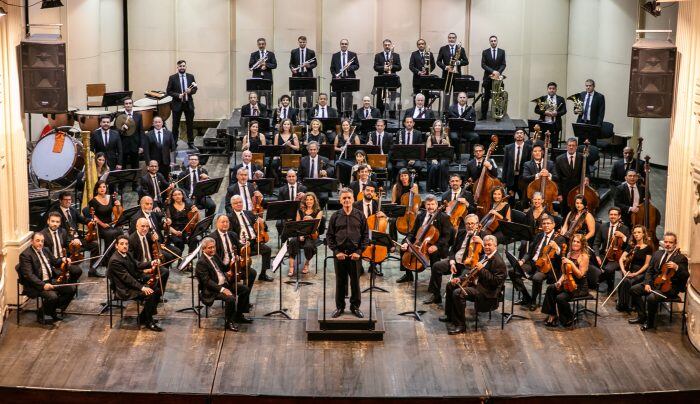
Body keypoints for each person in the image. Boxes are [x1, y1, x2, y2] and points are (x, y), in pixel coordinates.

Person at [442, 235, 506, 334]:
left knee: (458, 293)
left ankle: (461, 325)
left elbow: (496, 282)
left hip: (487, 292)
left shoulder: (498, 262)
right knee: (451, 285)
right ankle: (450, 316)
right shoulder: (484, 256)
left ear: (495, 246)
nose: (487, 247)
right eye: (485, 245)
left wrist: (482, 270)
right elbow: (472, 272)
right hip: (477, 285)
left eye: (489, 245)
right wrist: (460, 278)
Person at [629, 232, 688, 331]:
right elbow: (649, 271)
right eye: (666, 242)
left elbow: (686, 275)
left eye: (670, 242)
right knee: (633, 289)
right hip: (654, 283)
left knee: (651, 297)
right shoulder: (657, 254)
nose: (668, 244)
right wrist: (647, 283)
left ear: (675, 244)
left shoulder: (681, 258)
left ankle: (650, 322)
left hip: (669, 288)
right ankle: (642, 316)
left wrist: (677, 267)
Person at [326, 188, 369, 318]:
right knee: (340, 281)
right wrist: (336, 251)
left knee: (355, 282)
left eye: (349, 198)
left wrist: (359, 251)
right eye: (344, 198)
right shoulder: (335, 216)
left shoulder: (360, 215)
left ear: (353, 199)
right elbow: (329, 236)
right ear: (340, 200)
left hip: (355, 255)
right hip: (339, 255)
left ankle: (355, 306)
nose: (347, 200)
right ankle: (340, 307)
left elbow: (366, 236)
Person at [106, 235, 163, 331]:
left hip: (131, 284)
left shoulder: (127, 254)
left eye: (126, 244)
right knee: (151, 293)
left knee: (156, 290)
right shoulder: (115, 260)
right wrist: (142, 287)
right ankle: (148, 321)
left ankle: (143, 317)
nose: (125, 246)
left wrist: (151, 262)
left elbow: (137, 264)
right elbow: (126, 278)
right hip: (124, 289)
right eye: (122, 244)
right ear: (116, 246)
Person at [18, 232, 77, 325]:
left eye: (42, 241)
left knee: (71, 289)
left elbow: (55, 261)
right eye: (37, 241)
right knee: (53, 296)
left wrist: (62, 259)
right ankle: (43, 313)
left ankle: (49, 310)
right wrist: (43, 285)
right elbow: (29, 275)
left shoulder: (45, 250)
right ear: (31, 241)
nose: (40, 243)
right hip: (35, 285)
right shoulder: (25, 255)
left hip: (50, 280)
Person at [196, 237, 252, 332]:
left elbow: (224, 268)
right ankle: (228, 322)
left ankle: (239, 315)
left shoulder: (215, 255)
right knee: (230, 298)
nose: (212, 249)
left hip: (224, 283)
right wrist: (222, 290)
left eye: (213, 247)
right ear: (203, 249)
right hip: (212, 289)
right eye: (210, 248)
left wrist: (233, 261)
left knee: (245, 289)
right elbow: (207, 282)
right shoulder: (201, 262)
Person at [511, 214, 565, 311]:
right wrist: (522, 261)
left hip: (546, 267)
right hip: (533, 263)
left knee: (536, 278)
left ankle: (533, 300)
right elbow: (529, 252)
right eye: (544, 223)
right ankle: (526, 296)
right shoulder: (538, 236)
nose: (546, 225)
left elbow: (561, 256)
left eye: (548, 223)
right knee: (513, 271)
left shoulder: (559, 238)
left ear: (553, 225)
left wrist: (556, 247)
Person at [428, 214, 485, 305]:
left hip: (469, 266)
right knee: (436, 266)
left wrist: (482, 242)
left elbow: (489, 253)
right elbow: (453, 250)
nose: (470, 226)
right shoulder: (461, 232)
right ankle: (436, 296)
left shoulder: (482, 235)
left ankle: (455, 304)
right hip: (456, 262)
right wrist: (452, 262)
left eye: (472, 224)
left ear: (477, 224)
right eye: (467, 224)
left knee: (458, 281)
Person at [400, 195, 452, 285]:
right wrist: (406, 242)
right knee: (403, 247)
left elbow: (446, 236)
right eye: (428, 204)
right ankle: (408, 275)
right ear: (425, 205)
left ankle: (434, 282)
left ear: (436, 205)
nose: (430, 207)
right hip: (420, 242)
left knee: (434, 254)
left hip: (436, 244)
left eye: (432, 204)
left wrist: (436, 246)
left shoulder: (443, 217)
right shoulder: (421, 216)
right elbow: (412, 232)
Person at [541, 233, 590, 328]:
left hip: (579, 287)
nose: (575, 243)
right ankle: (552, 315)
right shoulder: (569, 254)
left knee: (560, 297)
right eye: (574, 241)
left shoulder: (584, 257)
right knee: (551, 288)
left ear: (582, 244)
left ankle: (569, 317)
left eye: (578, 242)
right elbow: (564, 273)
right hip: (567, 283)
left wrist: (571, 262)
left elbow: (580, 275)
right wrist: (559, 281)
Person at [228, 195, 273, 282]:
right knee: (246, 260)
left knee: (267, 250)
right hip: (242, 244)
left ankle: (263, 274)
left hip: (254, 241)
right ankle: (246, 276)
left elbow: (264, 228)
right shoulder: (230, 217)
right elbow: (231, 235)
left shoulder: (249, 213)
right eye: (236, 203)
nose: (238, 204)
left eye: (240, 202)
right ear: (232, 205)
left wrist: (262, 223)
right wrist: (241, 243)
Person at [49, 191, 99, 266]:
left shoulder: (72, 210)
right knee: (73, 250)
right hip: (67, 241)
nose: (68, 201)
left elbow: (82, 219)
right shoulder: (56, 213)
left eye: (69, 199)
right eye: (66, 199)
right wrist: (71, 240)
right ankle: (72, 269)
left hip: (77, 238)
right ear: (60, 201)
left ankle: (93, 269)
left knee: (95, 246)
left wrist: (91, 220)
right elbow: (59, 231)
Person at [207, 214, 257, 289]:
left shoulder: (232, 234)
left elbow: (239, 247)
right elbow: (214, 258)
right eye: (222, 222)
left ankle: (243, 299)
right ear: (217, 224)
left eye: (227, 222)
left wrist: (244, 246)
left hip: (235, 265)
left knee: (252, 273)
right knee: (234, 284)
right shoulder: (212, 238)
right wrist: (225, 271)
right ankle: (232, 296)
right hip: (223, 267)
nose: (225, 224)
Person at [592, 207, 630, 293]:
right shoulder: (603, 226)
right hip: (604, 253)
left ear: (619, 216)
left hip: (616, 257)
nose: (612, 216)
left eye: (615, 215)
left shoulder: (624, 229)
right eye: (611, 214)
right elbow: (596, 243)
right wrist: (597, 255)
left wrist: (623, 236)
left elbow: (629, 245)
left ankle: (602, 282)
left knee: (608, 269)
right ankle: (600, 280)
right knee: (588, 259)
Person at [616, 225, 652, 312]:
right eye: (635, 233)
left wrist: (636, 273)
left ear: (643, 234)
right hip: (630, 271)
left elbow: (647, 264)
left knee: (627, 281)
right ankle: (623, 304)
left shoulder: (648, 248)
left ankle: (628, 305)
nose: (636, 234)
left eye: (639, 232)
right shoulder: (631, 246)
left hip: (641, 273)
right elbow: (621, 259)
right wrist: (624, 271)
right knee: (625, 280)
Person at [128, 217, 171, 292]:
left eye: (147, 226)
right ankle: (150, 295)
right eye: (142, 226)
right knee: (152, 278)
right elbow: (131, 261)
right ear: (136, 226)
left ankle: (159, 294)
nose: (145, 229)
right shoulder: (131, 240)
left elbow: (156, 249)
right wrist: (145, 268)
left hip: (152, 264)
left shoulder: (149, 235)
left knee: (165, 271)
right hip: (140, 268)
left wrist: (156, 241)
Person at [40, 212, 83, 283]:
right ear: (48, 221)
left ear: (60, 223)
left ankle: (70, 285)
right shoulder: (42, 234)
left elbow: (67, 243)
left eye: (57, 222)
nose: (55, 224)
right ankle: (67, 288)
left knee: (77, 271)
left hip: (64, 261)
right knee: (61, 276)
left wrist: (73, 242)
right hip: (52, 263)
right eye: (53, 221)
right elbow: (44, 253)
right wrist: (58, 261)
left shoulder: (63, 231)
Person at [288, 192, 323, 276]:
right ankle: (291, 267)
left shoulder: (319, 211)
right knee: (292, 242)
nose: (309, 201)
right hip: (300, 233)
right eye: (307, 200)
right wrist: (300, 235)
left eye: (311, 199)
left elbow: (316, 226)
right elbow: (297, 225)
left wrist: (311, 219)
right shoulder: (300, 211)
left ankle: (306, 264)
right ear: (304, 201)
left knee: (308, 246)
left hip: (312, 235)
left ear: (314, 201)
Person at [166, 60, 198, 149]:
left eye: (184, 66)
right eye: (180, 66)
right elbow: (168, 92)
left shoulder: (191, 77)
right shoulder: (172, 78)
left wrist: (190, 91)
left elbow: (195, 89)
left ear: (186, 67)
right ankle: (174, 143)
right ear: (177, 67)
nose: (182, 67)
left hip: (188, 104)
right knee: (175, 125)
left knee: (190, 124)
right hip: (177, 104)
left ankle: (191, 142)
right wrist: (178, 95)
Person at [87, 180, 123, 258]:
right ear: (96, 189)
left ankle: (119, 254)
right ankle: (107, 257)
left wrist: (118, 205)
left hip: (110, 224)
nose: (102, 189)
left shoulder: (111, 197)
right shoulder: (93, 201)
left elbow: (118, 212)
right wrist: (102, 224)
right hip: (99, 226)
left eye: (104, 187)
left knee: (120, 231)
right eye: (100, 187)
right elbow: (94, 216)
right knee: (110, 234)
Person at [554, 137, 585, 218]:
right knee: (565, 213)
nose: (571, 147)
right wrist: (559, 194)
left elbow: (587, 172)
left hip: (577, 190)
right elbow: (557, 179)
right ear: (566, 146)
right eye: (569, 145)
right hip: (564, 191)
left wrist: (587, 178)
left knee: (577, 212)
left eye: (573, 145)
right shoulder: (559, 159)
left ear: (576, 146)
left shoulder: (582, 157)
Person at [501, 129, 532, 203]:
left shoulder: (529, 148)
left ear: (524, 135)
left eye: (521, 133)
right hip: (511, 178)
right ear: (514, 135)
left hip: (522, 179)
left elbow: (530, 165)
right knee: (510, 200)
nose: (519, 135)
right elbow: (505, 164)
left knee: (523, 200)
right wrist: (503, 180)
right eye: (517, 133)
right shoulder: (508, 148)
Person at [373, 39, 402, 116]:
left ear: (391, 45)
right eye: (385, 45)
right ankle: (379, 114)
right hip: (381, 79)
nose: (387, 46)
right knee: (380, 97)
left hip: (392, 79)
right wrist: (383, 68)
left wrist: (391, 66)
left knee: (392, 97)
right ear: (383, 46)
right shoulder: (378, 55)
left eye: (388, 45)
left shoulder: (396, 55)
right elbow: (375, 67)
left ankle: (392, 114)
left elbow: (399, 67)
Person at [480, 35, 507, 120]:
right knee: (486, 97)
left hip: (498, 78)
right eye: (491, 41)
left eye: (495, 40)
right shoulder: (485, 52)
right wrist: (493, 71)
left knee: (498, 98)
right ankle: (483, 115)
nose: (493, 42)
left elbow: (503, 64)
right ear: (489, 42)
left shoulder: (502, 52)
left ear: (497, 41)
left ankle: (497, 116)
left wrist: (498, 72)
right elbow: (483, 65)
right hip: (488, 78)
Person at [390, 168, 419, 244]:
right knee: (392, 221)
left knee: (417, 221)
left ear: (409, 176)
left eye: (405, 175)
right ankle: (393, 242)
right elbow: (393, 202)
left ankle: (411, 240)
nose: (403, 178)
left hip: (411, 210)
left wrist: (415, 193)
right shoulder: (396, 187)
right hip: (400, 210)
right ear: (399, 178)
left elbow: (417, 201)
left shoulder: (414, 186)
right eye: (401, 176)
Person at [330, 39, 360, 111]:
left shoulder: (353, 54)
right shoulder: (335, 55)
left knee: (349, 96)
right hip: (338, 79)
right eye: (342, 44)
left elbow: (357, 66)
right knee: (338, 96)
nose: (344, 45)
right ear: (340, 45)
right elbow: (332, 68)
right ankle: (339, 112)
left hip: (349, 78)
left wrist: (349, 67)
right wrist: (335, 75)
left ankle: (348, 112)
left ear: (347, 45)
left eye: (345, 44)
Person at [446, 92, 479, 158]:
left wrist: (467, 122)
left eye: (464, 97)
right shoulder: (451, 108)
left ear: (466, 99)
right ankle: (457, 156)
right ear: (457, 99)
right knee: (454, 137)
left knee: (475, 137)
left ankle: (472, 157)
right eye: (460, 97)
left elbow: (473, 123)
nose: (462, 99)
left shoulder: (471, 109)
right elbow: (447, 120)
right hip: (455, 130)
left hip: (466, 130)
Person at [116, 97, 144, 173]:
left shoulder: (138, 116)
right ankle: (123, 184)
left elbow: (141, 131)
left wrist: (141, 146)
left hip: (135, 145)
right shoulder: (119, 116)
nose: (128, 105)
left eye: (130, 103)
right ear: (124, 105)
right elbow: (116, 132)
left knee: (135, 166)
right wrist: (121, 129)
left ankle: (135, 184)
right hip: (123, 145)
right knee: (123, 166)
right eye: (126, 103)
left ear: (132, 105)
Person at [393, 116, 424, 180]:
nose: (409, 124)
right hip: (402, 158)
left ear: (413, 123)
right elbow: (397, 148)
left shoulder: (418, 133)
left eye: (410, 122)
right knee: (399, 165)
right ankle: (401, 181)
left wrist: (414, 159)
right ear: (404, 123)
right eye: (407, 122)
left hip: (414, 158)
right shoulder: (399, 133)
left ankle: (415, 181)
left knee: (419, 166)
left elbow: (420, 149)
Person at [426, 119, 450, 191]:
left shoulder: (446, 137)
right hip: (432, 157)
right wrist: (433, 159)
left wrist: (446, 143)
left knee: (442, 164)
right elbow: (428, 150)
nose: (437, 127)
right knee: (434, 166)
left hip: (443, 157)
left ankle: (442, 187)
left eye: (439, 125)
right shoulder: (430, 137)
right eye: (436, 125)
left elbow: (449, 150)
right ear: (433, 127)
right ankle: (432, 187)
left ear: (442, 127)